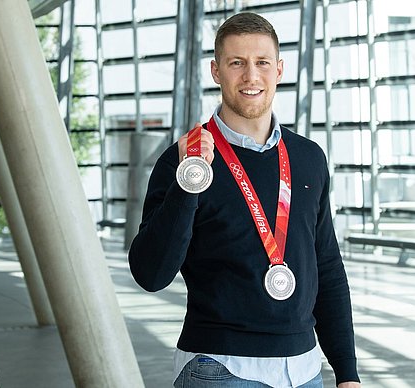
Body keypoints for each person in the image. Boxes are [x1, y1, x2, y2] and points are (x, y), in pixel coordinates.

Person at [128, 12, 361, 388]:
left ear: (279, 69)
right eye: (237, 63)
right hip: (219, 369)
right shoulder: (182, 160)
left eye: (262, 63)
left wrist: (347, 374)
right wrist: (188, 185)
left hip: (304, 371)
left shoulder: (307, 158)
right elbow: (151, 274)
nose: (251, 76)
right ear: (216, 71)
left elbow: (327, 268)